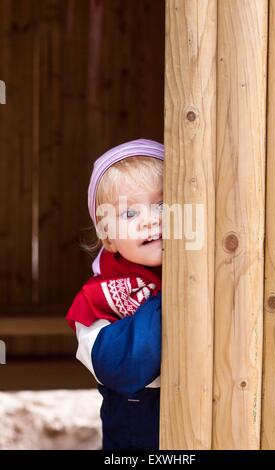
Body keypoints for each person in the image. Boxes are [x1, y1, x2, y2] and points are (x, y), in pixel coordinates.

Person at [66, 138, 164, 450]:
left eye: (161, 204)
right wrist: (164, 305)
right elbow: (121, 365)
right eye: (129, 214)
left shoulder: (208, 275)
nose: (150, 219)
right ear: (108, 238)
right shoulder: (95, 300)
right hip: (136, 438)